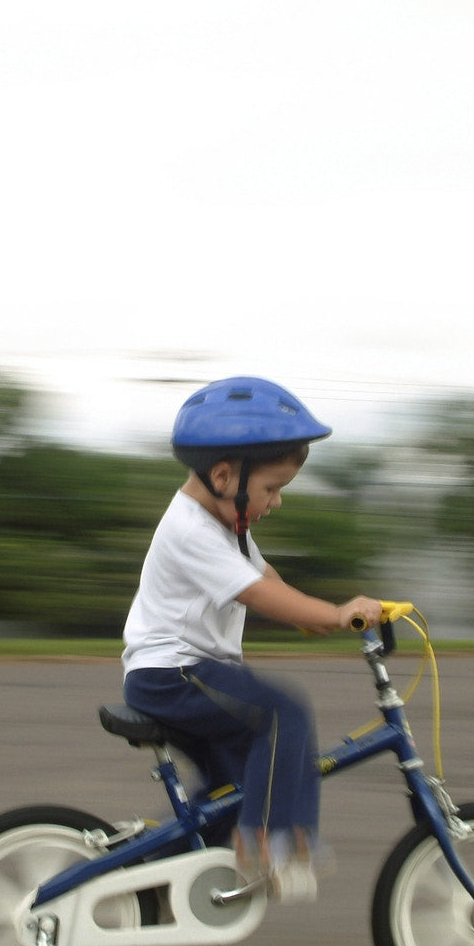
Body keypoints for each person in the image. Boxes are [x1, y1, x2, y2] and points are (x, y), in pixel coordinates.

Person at [122, 376, 381, 903]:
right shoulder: (191, 530)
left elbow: (269, 583)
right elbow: (257, 596)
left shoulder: (224, 529)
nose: (277, 502)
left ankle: (145, 886)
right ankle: (277, 847)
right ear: (223, 476)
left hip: (186, 676)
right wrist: (334, 616)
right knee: (283, 711)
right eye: (272, 488)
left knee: (231, 793)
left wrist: (316, 617)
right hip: (172, 674)